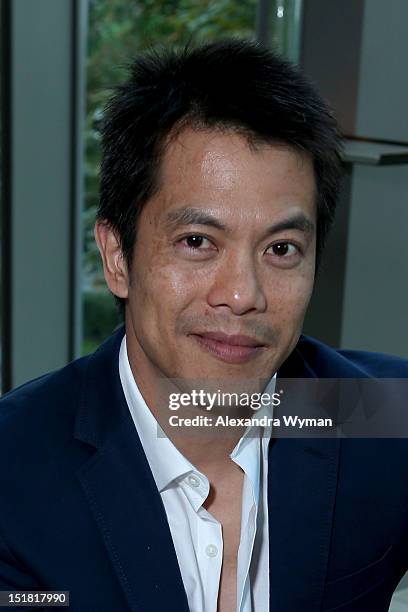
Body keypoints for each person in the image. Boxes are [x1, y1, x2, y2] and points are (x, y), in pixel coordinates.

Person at [0, 39, 407, 612]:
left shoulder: (382, 416)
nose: (243, 294)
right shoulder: (12, 470)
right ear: (118, 257)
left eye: (282, 248)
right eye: (197, 242)